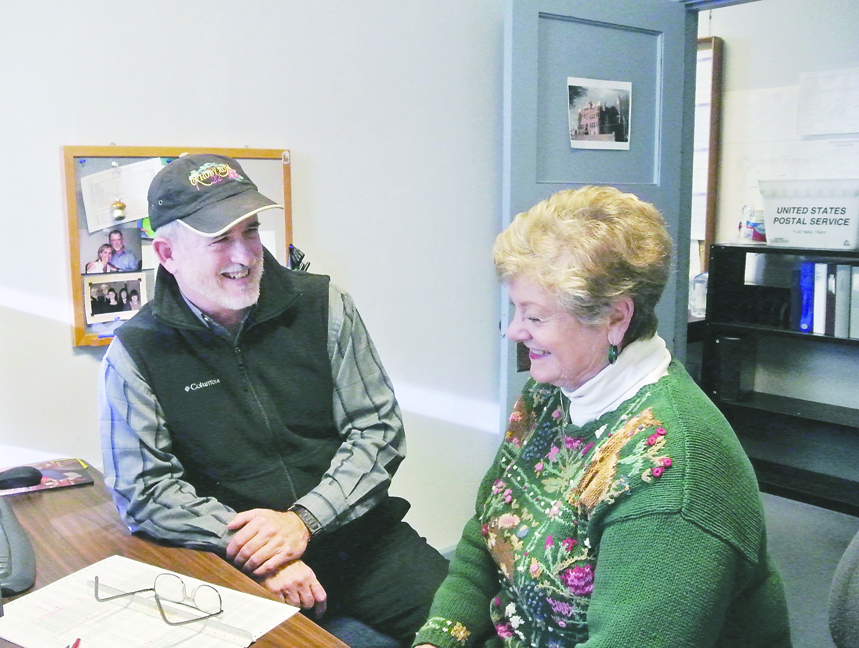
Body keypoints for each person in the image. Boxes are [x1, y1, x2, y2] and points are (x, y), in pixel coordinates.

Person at [413, 186, 791, 648]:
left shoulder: (673, 474)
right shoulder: (551, 394)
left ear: (615, 318)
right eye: (516, 311)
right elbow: (487, 536)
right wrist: (438, 640)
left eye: (534, 317)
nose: (514, 331)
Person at [100, 154, 448, 646]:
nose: (244, 256)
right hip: (238, 563)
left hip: (361, 539)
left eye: (251, 231)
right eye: (220, 240)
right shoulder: (137, 351)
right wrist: (261, 551)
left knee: (478, 629)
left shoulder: (325, 305)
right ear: (167, 253)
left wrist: (302, 522)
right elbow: (146, 490)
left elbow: (377, 431)